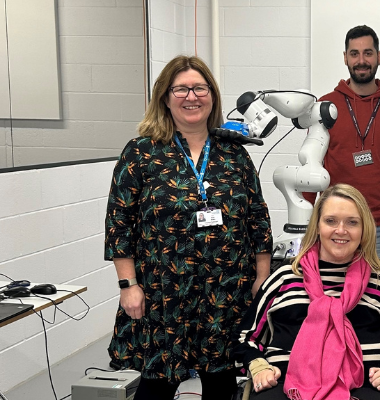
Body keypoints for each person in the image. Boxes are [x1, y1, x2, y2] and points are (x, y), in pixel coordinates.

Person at [105, 55, 273, 400]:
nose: (191, 97)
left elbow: (257, 217)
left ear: (212, 95)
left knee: (221, 382)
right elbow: (119, 223)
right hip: (163, 292)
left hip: (226, 290)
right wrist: (128, 285)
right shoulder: (141, 153)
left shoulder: (234, 154)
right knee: (157, 385)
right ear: (165, 98)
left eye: (200, 88)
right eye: (180, 89)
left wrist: (262, 277)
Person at [235, 184, 380, 400]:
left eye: (352, 222)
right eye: (331, 221)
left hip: (366, 386)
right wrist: (259, 366)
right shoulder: (284, 278)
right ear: (317, 226)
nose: (341, 230)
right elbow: (246, 338)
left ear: (364, 229)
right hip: (287, 384)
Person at [303, 25, 380, 262]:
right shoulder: (325, 106)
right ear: (345, 58)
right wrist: (305, 219)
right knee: (334, 284)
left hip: (379, 226)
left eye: (368, 53)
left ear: (379, 57)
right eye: (354, 54)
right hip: (335, 224)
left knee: (373, 285)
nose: (361, 61)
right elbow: (312, 164)